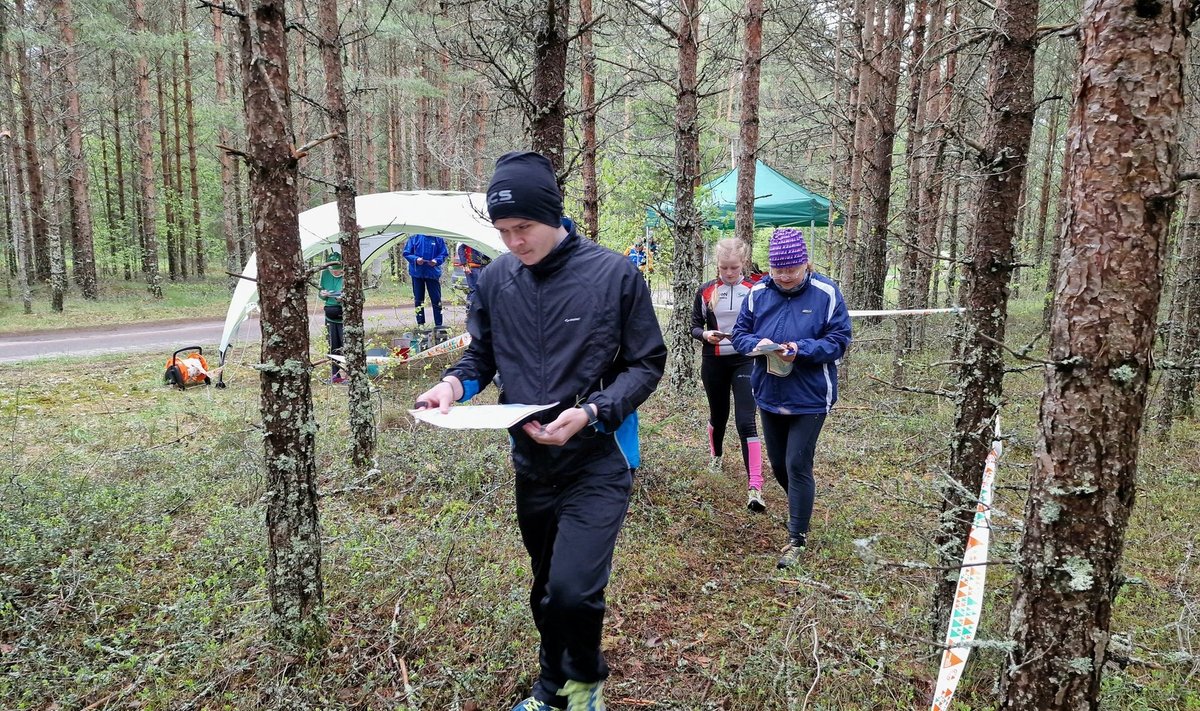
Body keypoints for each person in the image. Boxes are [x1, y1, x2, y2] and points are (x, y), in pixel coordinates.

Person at [415, 151, 666, 711]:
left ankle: (584, 685)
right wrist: (453, 387)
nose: (513, 243)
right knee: (547, 588)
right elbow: (481, 355)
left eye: (523, 227)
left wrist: (595, 411)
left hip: (599, 456)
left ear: (553, 214)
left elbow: (646, 362)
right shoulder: (497, 280)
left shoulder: (613, 275)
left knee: (574, 589)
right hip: (531, 460)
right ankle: (553, 690)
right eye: (503, 231)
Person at [731, 228, 851, 569]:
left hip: (811, 395)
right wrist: (752, 345)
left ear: (805, 264)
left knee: (798, 463)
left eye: (791, 269)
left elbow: (839, 339)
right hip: (769, 392)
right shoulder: (757, 292)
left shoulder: (826, 292)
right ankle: (802, 504)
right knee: (781, 465)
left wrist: (802, 349)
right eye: (777, 269)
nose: (784, 276)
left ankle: (797, 537)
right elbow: (741, 332)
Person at [690, 238, 765, 512]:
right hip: (714, 360)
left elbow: (765, 323)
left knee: (746, 421)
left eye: (734, 267)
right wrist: (705, 334)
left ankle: (755, 485)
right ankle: (716, 456)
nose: (729, 273)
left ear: (742, 263)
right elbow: (694, 326)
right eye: (723, 268)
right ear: (717, 266)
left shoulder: (755, 289)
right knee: (718, 416)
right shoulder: (707, 290)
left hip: (745, 360)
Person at [403, 232, 449, 330]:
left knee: (436, 299)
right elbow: (406, 253)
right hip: (417, 273)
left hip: (432, 273)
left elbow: (444, 253)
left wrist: (436, 261)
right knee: (419, 299)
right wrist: (416, 259)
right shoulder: (414, 237)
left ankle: (439, 325)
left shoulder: (438, 238)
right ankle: (421, 325)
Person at [318, 252, 347, 384]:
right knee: (333, 346)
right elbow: (321, 293)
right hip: (330, 314)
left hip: (344, 315)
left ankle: (349, 374)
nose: (335, 273)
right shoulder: (324, 275)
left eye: (337, 270)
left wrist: (343, 298)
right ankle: (335, 375)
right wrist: (323, 294)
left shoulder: (349, 275)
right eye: (332, 271)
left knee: (346, 346)